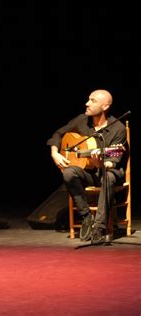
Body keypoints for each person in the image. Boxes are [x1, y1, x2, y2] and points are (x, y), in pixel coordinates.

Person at [47, 89, 127, 244]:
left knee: (109, 176)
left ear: (105, 107)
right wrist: (55, 152)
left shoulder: (119, 129)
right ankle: (86, 216)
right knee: (68, 172)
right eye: (88, 99)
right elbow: (58, 133)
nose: (87, 103)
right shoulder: (81, 120)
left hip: (107, 171)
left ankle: (99, 227)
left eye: (93, 101)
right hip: (88, 173)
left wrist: (100, 162)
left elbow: (113, 162)